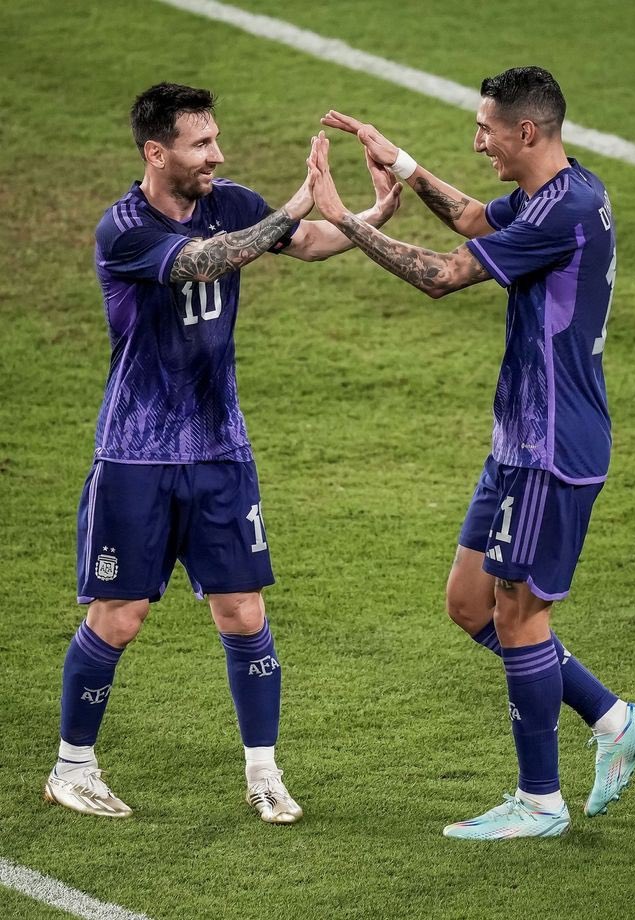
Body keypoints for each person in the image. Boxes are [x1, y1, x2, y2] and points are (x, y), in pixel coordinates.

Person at [309, 66, 635, 840]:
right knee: (471, 605)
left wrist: (346, 221)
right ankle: (615, 720)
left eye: (485, 129)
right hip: (519, 440)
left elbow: (444, 275)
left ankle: (539, 803)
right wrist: (401, 163)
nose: (477, 142)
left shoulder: (564, 211)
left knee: (519, 614)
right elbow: (473, 218)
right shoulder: (562, 189)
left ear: (525, 131)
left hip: (552, 445)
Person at [44, 82, 401, 823]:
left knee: (242, 610)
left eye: (215, 139)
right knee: (120, 615)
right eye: (201, 144)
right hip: (137, 454)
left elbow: (304, 242)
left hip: (220, 449)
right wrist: (297, 202)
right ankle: (71, 767)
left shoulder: (231, 201)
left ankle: (264, 773)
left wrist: (367, 217)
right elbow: (205, 262)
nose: (218, 155)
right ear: (156, 152)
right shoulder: (125, 228)